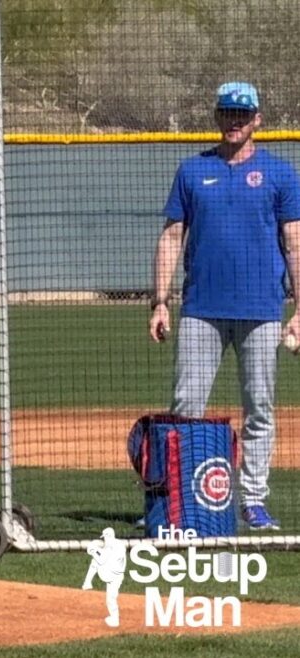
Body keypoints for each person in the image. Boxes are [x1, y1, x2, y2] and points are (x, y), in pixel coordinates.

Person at [149, 81, 300, 531]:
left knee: (259, 408)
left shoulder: (280, 174)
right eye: (227, 112)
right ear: (217, 117)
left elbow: (295, 242)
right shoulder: (193, 171)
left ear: (257, 120)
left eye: (242, 113)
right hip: (200, 309)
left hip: (262, 311)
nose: (234, 120)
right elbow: (172, 237)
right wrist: (160, 302)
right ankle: (183, 502)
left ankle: (252, 501)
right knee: (186, 407)